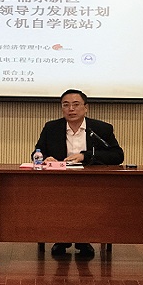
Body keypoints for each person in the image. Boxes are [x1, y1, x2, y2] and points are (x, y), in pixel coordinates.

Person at [33, 89, 124, 258]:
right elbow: (36, 153)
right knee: (58, 199)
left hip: (91, 181)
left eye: (76, 105)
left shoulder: (101, 129)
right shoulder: (52, 128)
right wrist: (45, 159)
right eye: (66, 105)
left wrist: (85, 156)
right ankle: (61, 238)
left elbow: (117, 156)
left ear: (86, 107)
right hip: (59, 181)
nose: (71, 109)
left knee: (86, 199)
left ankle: (84, 239)